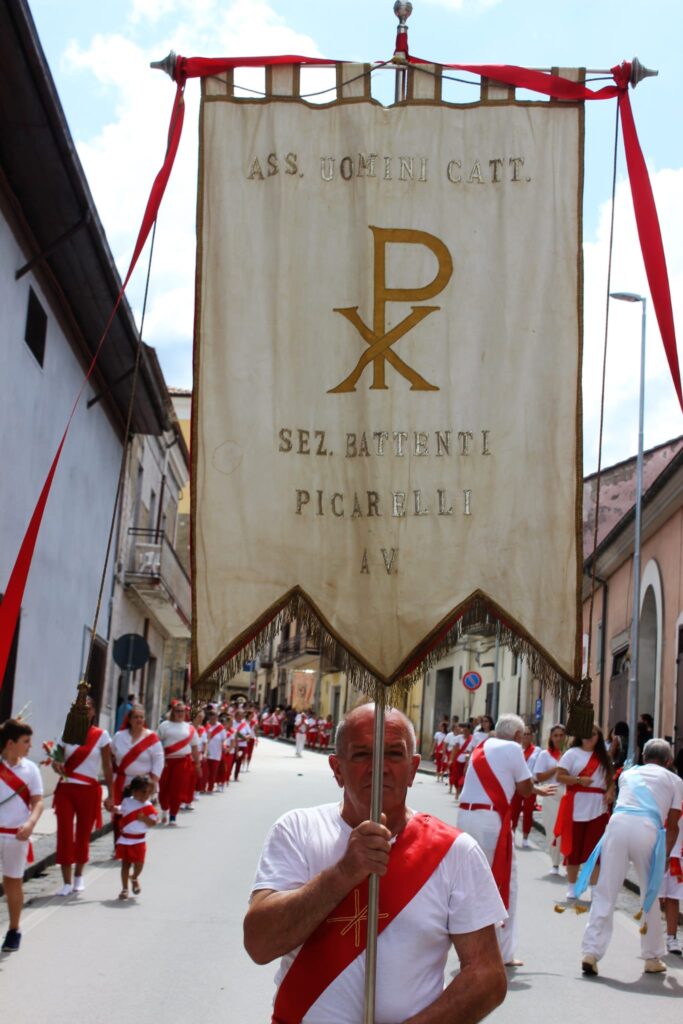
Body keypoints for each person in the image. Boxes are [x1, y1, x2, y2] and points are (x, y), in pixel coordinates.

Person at [244, 704, 507, 1023]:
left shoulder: (455, 852)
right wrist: (343, 873)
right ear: (337, 769)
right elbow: (259, 944)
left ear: (413, 768)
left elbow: (486, 976)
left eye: (393, 754)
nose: (379, 767)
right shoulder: (296, 830)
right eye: (361, 755)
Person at [457, 713, 553, 966]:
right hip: (491, 820)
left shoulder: (482, 746)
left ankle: (470, 948)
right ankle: (503, 952)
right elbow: (524, 788)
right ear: (518, 735)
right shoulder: (513, 749)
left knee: (472, 883)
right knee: (504, 881)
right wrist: (535, 788)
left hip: (465, 816)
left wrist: (535, 788)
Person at [580, 739, 683, 975]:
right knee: (650, 892)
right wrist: (666, 855)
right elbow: (673, 824)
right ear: (668, 761)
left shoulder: (628, 774)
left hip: (617, 826)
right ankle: (652, 956)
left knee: (606, 890)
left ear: (644, 757)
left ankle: (591, 951)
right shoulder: (674, 780)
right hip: (647, 829)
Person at [53, 697, 113, 896]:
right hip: (66, 789)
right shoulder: (65, 734)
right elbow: (57, 759)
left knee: (83, 834)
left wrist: (111, 794)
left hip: (88, 790)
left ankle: (79, 875)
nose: (83, 712)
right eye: (79, 708)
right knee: (64, 832)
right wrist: (57, 764)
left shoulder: (102, 735)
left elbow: (107, 766)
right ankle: (66, 881)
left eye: (87, 709)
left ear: (93, 712)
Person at [555, 725, 613, 901]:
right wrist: (578, 780)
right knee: (574, 849)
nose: (590, 737)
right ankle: (572, 886)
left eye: (593, 734)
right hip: (576, 805)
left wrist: (610, 792)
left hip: (598, 808)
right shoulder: (571, 754)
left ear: (598, 737)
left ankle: (594, 888)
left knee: (595, 852)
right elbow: (560, 776)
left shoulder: (604, 757)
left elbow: (610, 780)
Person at [0, 719, 44, 953]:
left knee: (12, 882)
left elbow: (38, 801)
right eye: (26, 741)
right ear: (11, 743)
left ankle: (14, 929)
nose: (30, 746)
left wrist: (30, 823)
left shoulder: (31, 769)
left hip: (16, 836)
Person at [111, 704, 163, 807]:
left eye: (141, 717)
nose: (139, 720)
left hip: (144, 785)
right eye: (135, 717)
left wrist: (152, 783)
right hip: (122, 783)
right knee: (121, 813)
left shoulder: (152, 737)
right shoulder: (119, 736)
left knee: (141, 814)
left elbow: (158, 761)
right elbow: (111, 756)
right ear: (129, 720)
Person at [115, 774, 158, 900]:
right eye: (143, 792)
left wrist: (144, 819)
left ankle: (134, 877)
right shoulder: (127, 802)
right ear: (134, 791)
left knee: (139, 864)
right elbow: (121, 809)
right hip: (125, 839)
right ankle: (124, 889)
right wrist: (113, 808)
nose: (146, 795)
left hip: (139, 840)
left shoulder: (148, 806)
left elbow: (153, 823)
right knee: (125, 865)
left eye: (149, 792)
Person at [158, 701, 200, 822]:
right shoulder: (164, 725)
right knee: (163, 788)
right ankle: (164, 809)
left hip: (182, 761)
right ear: (173, 712)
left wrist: (197, 764)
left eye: (182, 711)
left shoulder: (189, 728)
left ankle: (173, 815)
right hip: (166, 761)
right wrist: (160, 758)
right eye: (177, 711)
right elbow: (157, 743)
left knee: (176, 789)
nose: (180, 713)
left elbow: (195, 747)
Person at [533, 723, 566, 873]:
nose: (558, 738)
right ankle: (555, 863)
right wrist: (556, 768)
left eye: (561, 735)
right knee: (553, 829)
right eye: (555, 736)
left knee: (567, 829)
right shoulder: (545, 755)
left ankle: (568, 860)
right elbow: (539, 777)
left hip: (567, 795)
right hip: (551, 794)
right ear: (551, 738)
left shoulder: (570, 754)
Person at [659, 785, 683, 956]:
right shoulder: (659, 804)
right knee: (655, 898)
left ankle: (671, 938)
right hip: (658, 855)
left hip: (677, 857)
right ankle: (650, 934)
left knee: (673, 899)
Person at [510, 726, 540, 848]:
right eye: (524, 734)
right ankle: (512, 835)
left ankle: (525, 838)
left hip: (530, 784)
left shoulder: (537, 750)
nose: (526, 736)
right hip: (517, 784)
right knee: (514, 811)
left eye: (529, 734)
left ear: (532, 736)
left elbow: (538, 767)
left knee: (528, 811)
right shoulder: (516, 749)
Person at [205, 708, 227, 792]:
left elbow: (223, 740)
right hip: (206, 752)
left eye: (216, 717)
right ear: (209, 717)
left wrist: (224, 748)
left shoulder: (220, 727)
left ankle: (210, 788)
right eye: (212, 717)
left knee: (213, 772)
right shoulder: (206, 725)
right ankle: (202, 787)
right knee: (205, 771)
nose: (214, 719)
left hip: (216, 753)